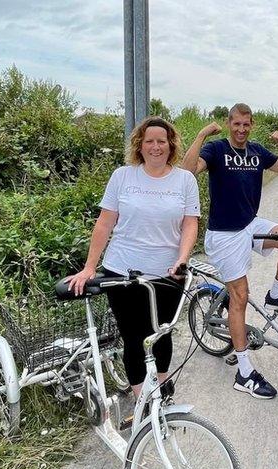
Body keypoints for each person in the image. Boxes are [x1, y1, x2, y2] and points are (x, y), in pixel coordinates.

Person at [67, 116, 200, 398]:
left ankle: (162, 387)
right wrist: (90, 267)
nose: (155, 147)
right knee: (133, 336)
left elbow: (190, 223)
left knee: (161, 332)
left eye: (161, 141)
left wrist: (183, 258)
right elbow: (105, 223)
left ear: (170, 144)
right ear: (139, 145)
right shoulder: (122, 176)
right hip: (121, 269)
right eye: (149, 141)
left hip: (168, 272)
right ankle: (142, 399)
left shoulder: (185, 180)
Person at [182, 103, 278, 400]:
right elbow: (186, 172)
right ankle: (244, 372)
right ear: (229, 123)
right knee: (240, 296)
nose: (240, 129)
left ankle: (276, 293)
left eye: (245, 124)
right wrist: (200, 135)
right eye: (236, 124)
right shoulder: (216, 149)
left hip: (250, 224)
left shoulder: (257, 152)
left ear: (251, 124)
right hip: (224, 234)